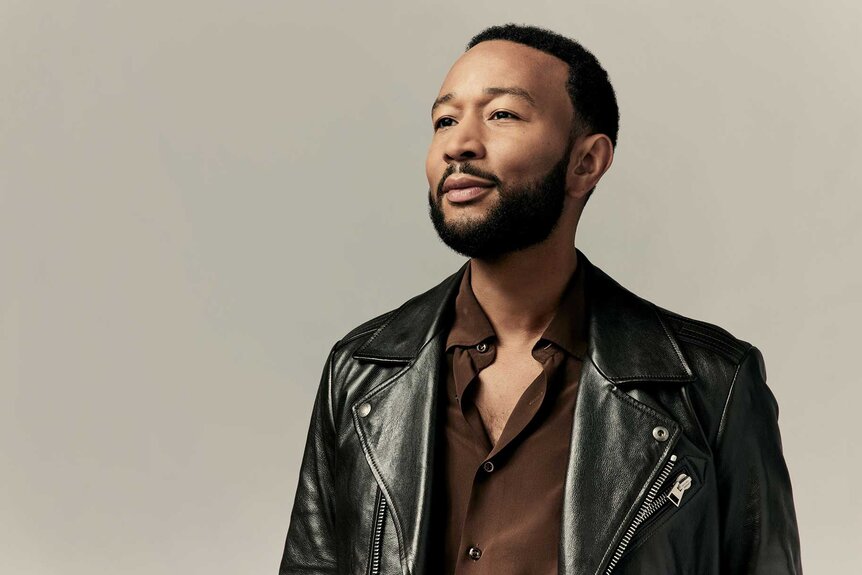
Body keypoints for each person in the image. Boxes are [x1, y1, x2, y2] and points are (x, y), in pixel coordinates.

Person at [279, 23, 802, 575]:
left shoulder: (712, 384)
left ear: (586, 162)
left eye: (501, 114)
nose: (458, 144)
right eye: (445, 120)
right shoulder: (361, 370)